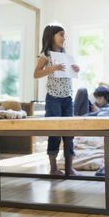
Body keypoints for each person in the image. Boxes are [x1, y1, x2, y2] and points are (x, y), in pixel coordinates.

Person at [33, 24, 80, 176]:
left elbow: (68, 73)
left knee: (69, 134)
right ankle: (53, 168)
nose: (63, 38)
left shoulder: (65, 55)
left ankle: (69, 168)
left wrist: (75, 69)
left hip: (67, 98)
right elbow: (36, 74)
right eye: (61, 34)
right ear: (51, 36)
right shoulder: (45, 56)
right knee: (54, 132)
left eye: (64, 35)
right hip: (53, 98)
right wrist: (52, 69)